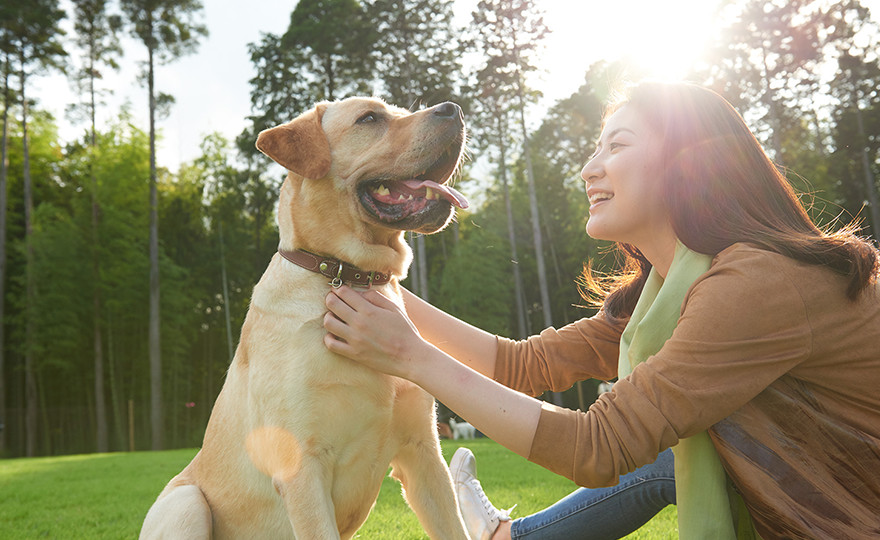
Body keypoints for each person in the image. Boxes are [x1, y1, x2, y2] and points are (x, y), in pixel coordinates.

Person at [322, 80, 880, 539]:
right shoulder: (666, 294)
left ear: (690, 164)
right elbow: (523, 365)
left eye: (617, 146)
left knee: (679, 445)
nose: (589, 168)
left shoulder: (758, 286)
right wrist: (377, 287)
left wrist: (410, 356)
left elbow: (601, 446)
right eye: (597, 147)